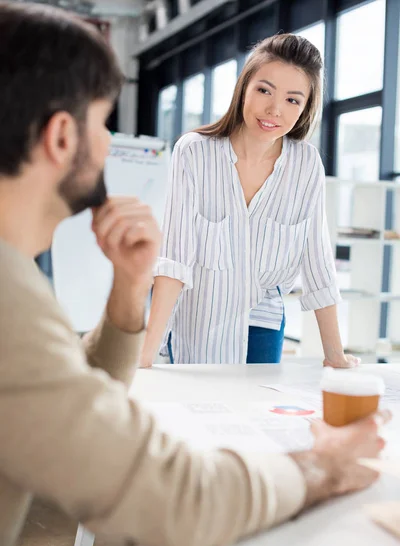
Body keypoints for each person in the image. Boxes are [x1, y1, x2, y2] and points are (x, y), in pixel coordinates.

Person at [0, 4, 386, 546]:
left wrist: (128, 294)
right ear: (60, 137)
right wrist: (318, 468)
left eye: (294, 99)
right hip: (197, 323)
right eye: (104, 123)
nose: (111, 146)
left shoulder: (17, 292)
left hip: (257, 310)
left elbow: (72, 398)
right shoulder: (15, 306)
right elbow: (163, 494)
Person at [140, 34, 359, 367]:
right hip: (196, 322)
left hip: (262, 325)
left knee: (254, 416)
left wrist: (335, 356)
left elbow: (318, 262)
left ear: (304, 109)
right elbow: (174, 261)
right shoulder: (193, 152)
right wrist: (145, 355)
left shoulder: (306, 164)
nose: (274, 109)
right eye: (264, 90)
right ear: (244, 87)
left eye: (292, 100)